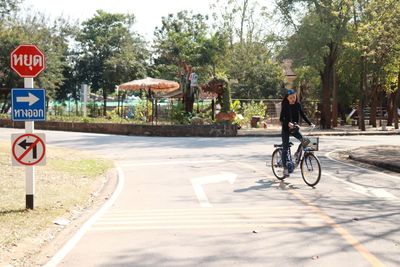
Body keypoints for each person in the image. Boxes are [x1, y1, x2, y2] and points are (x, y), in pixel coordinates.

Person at [279, 89, 315, 177]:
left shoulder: (297, 105)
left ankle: (302, 154)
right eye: (291, 98)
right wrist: (287, 123)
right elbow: (281, 118)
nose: (293, 99)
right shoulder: (285, 105)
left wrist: (310, 123)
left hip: (294, 128)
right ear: (287, 98)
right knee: (285, 147)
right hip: (286, 129)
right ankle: (285, 168)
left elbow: (303, 114)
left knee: (305, 141)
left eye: (294, 97)